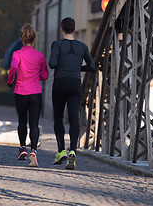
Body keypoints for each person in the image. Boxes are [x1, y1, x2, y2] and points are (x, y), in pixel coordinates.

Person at [49, 17, 95, 170]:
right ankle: (73, 152)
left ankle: (61, 150)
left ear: (61, 29)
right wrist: (77, 68)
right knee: (73, 118)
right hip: (75, 84)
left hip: (60, 83)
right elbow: (92, 66)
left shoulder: (57, 44)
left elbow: (52, 64)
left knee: (58, 117)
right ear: (74, 29)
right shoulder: (82, 46)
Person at [8, 23, 49, 167]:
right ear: (34, 39)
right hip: (35, 93)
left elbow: (13, 67)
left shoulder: (17, 54)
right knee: (34, 123)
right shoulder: (39, 56)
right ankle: (33, 151)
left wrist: (10, 80)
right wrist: (38, 76)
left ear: (21, 39)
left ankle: (22, 148)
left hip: (20, 92)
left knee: (22, 121)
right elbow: (44, 75)